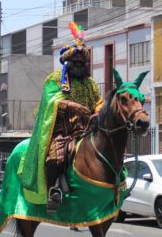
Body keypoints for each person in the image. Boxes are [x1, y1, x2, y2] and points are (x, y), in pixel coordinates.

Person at [19, 22, 103, 213]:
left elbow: (98, 101)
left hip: (86, 128)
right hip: (62, 128)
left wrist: (98, 110)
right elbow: (48, 103)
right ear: (69, 63)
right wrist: (72, 106)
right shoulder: (55, 79)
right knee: (56, 157)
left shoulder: (89, 82)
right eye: (77, 62)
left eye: (84, 63)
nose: (81, 66)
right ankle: (52, 190)